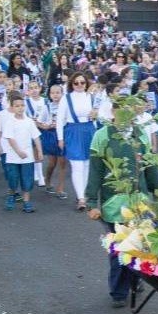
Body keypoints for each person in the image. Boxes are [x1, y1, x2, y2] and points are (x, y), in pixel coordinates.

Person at [86, 105, 158, 308]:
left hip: (140, 202)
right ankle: (119, 291)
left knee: (140, 245)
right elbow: (95, 171)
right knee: (120, 249)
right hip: (114, 204)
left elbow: (150, 165)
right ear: (114, 112)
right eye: (121, 110)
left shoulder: (141, 134)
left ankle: (136, 280)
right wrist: (91, 202)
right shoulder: (102, 136)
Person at [56, 72, 98, 211]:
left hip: (89, 130)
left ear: (86, 83)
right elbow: (59, 120)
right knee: (77, 165)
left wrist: (95, 117)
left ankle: (82, 195)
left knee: (86, 164)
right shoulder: (66, 98)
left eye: (82, 82)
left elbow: (98, 118)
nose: (79, 85)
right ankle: (80, 197)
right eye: (76, 83)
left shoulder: (91, 97)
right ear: (71, 84)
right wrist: (60, 138)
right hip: (73, 131)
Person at [1, 92, 43, 213]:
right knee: (13, 178)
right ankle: (11, 194)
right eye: (17, 106)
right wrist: (18, 151)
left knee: (27, 179)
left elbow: (36, 137)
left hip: (27, 157)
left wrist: (39, 151)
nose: (20, 108)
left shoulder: (29, 121)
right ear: (12, 107)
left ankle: (26, 201)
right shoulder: (10, 121)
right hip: (13, 157)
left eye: (22, 105)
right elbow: (10, 138)